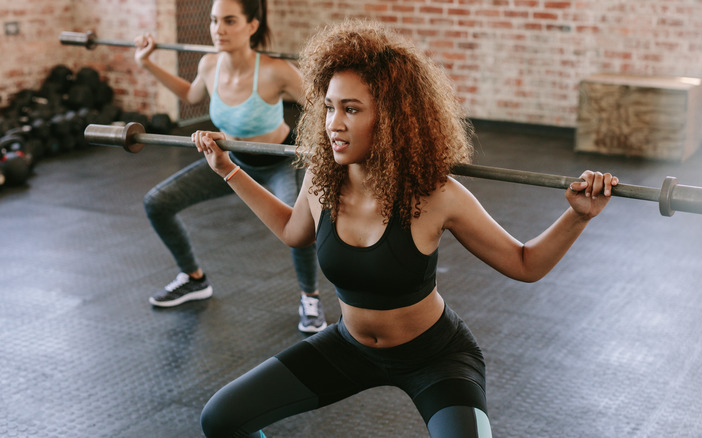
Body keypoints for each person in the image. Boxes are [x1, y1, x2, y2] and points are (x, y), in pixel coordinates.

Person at [193, 19, 619, 437]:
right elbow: (293, 232)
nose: (333, 124)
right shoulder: (322, 180)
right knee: (221, 419)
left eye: (352, 109)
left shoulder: (435, 195)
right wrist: (228, 170)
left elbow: (525, 264)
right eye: (329, 107)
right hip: (349, 347)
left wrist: (578, 215)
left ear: (393, 118)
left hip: (435, 357)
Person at [133, 0, 326, 333]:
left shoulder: (274, 70)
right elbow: (192, 95)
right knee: (157, 202)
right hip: (229, 160)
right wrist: (146, 62)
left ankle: (310, 297)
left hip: (279, 161)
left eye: (229, 21)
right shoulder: (210, 65)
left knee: (299, 231)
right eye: (213, 20)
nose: (217, 29)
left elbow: (323, 105)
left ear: (252, 26)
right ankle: (194, 279)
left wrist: (320, 148)